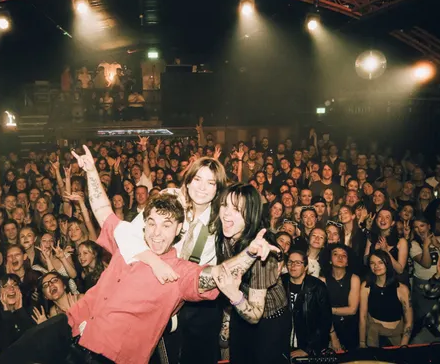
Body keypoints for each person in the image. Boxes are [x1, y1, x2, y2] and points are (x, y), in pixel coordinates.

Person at [0, 145, 277, 364]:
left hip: (125, 336)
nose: (157, 231)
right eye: (152, 222)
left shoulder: (213, 229)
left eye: (211, 183)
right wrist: (91, 172)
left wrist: (250, 253)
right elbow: (104, 212)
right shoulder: (135, 235)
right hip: (79, 320)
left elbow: (214, 275)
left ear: (178, 229)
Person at [114, 151, 228, 364]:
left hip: (199, 303)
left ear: (218, 188)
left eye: (210, 183)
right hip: (158, 289)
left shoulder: (223, 217)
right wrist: (154, 262)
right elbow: (125, 234)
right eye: (197, 179)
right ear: (188, 180)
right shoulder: (170, 199)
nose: (202, 188)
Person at [214, 184, 290, 364]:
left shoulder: (262, 253)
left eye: (236, 209)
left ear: (250, 215)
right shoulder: (224, 235)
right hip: (239, 310)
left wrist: (233, 294)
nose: (226, 214)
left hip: (268, 322)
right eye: (224, 205)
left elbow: (255, 315)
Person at [283, 250, 332, 358]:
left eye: (298, 263)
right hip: (282, 346)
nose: (293, 265)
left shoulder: (317, 287)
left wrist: (308, 349)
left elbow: (325, 322)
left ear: (305, 267)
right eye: (290, 262)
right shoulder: (281, 282)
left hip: (307, 347)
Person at [359, 250, 413, 348]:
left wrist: (403, 346)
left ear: (388, 264)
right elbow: (362, 317)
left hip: (395, 334)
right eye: (372, 263)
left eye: (380, 262)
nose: (376, 266)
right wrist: (362, 343)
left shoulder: (401, 289)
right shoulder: (366, 286)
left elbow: (409, 321)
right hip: (372, 332)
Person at [319, 244, 360, 351]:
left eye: (344, 255)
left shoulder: (354, 279)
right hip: (330, 327)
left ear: (348, 262)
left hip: (351, 328)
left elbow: (352, 310)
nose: (340, 257)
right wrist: (333, 337)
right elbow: (322, 314)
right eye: (336, 254)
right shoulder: (322, 280)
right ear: (329, 260)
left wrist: (328, 310)